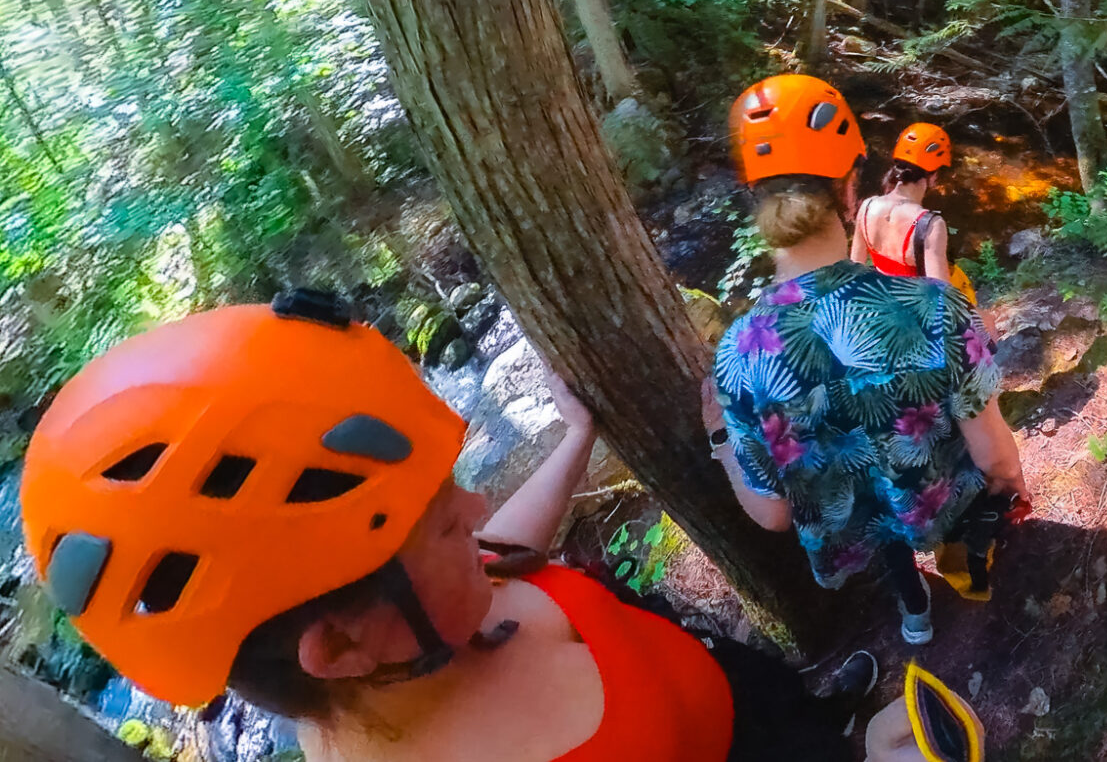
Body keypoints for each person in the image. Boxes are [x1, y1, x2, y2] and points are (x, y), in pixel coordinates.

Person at [19, 290, 885, 762]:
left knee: (788, 707)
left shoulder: (423, 619)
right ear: (342, 644)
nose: (471, 512)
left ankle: (825, 712)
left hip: (744, 704)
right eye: (439, 524)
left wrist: (575, 441)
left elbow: (500, 550)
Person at [713, 75, 1028, 647]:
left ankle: (915, 614)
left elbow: (773, 515)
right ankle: (973, 582)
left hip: (854, 522)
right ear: (849, 187)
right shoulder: (935, 308)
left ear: (753, 201)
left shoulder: (739, 353)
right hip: (937, 500)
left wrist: (717, 436)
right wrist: (1010, 488)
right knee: (931, 515)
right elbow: (993, 455)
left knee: (885, 536)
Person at [852, 122, 977, 303]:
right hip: (912, 313)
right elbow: (942, 296)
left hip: (880, 302)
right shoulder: (931, 225)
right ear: (934, 176)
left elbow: (855, 270)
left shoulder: (867, 207)